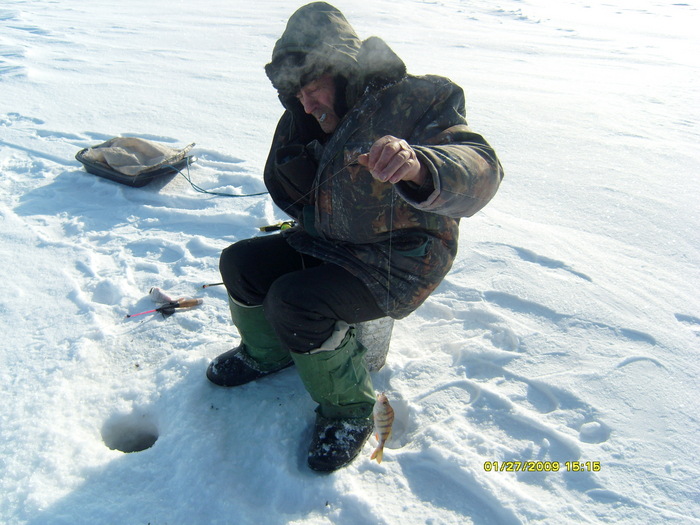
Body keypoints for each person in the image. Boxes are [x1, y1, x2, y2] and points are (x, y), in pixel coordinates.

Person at [206, 2, 504, 472]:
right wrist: (299, 167)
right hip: (329, 243)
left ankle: (349, 410)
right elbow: (286, 194)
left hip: (402, 259)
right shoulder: (302, 118)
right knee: (240, 263)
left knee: (293, 299)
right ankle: (268, 354)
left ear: (341, 70)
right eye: (296, 93)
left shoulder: (419, 98)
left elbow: (480, 166)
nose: (305, 102)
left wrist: (420, 165)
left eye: (313, 87)